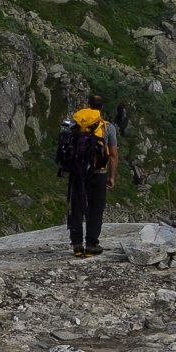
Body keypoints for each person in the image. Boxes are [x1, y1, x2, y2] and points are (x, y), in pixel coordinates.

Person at [57, 106, 112, 259]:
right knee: (95, 208)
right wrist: (112, 176)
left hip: (77, 173)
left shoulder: (75, 128)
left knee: (76, 206)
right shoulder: (106, 128)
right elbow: (113, 154)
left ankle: (77, 245)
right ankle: (91, 245)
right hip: (98, 173)